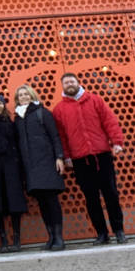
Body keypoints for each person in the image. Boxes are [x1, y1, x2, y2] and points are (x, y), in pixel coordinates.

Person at [53, 73, 126, 245]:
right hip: (80, 160)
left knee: (111, 195)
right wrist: (67, 156)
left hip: (101, 156)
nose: (69, 84)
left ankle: (119, 230)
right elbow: (61, 136)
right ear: (62, 86)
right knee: (91, 199)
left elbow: (109, 121)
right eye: (66, 83)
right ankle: (102, 233)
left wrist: (116, 141)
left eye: (72, 81)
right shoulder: (59, 110)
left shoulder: (95, 100)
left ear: (78, 83)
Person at [14, 85, 66, 251]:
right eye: (20, 95)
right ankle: (50, 236)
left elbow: (55, 136)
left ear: (31, 95)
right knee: (42, 202)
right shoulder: (18, 118)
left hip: (47, 162)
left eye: (25, 94)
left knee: (51, 200)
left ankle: (59, 237)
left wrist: (59, 157)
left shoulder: (42, 113)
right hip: (31, 166)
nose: (23, 97)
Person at [0, 95, 27, 252]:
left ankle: (16, 238)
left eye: (1, 103)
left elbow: (17, 144)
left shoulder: (11, 124)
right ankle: (3, 240)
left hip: (10, 166)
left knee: (14, 202)